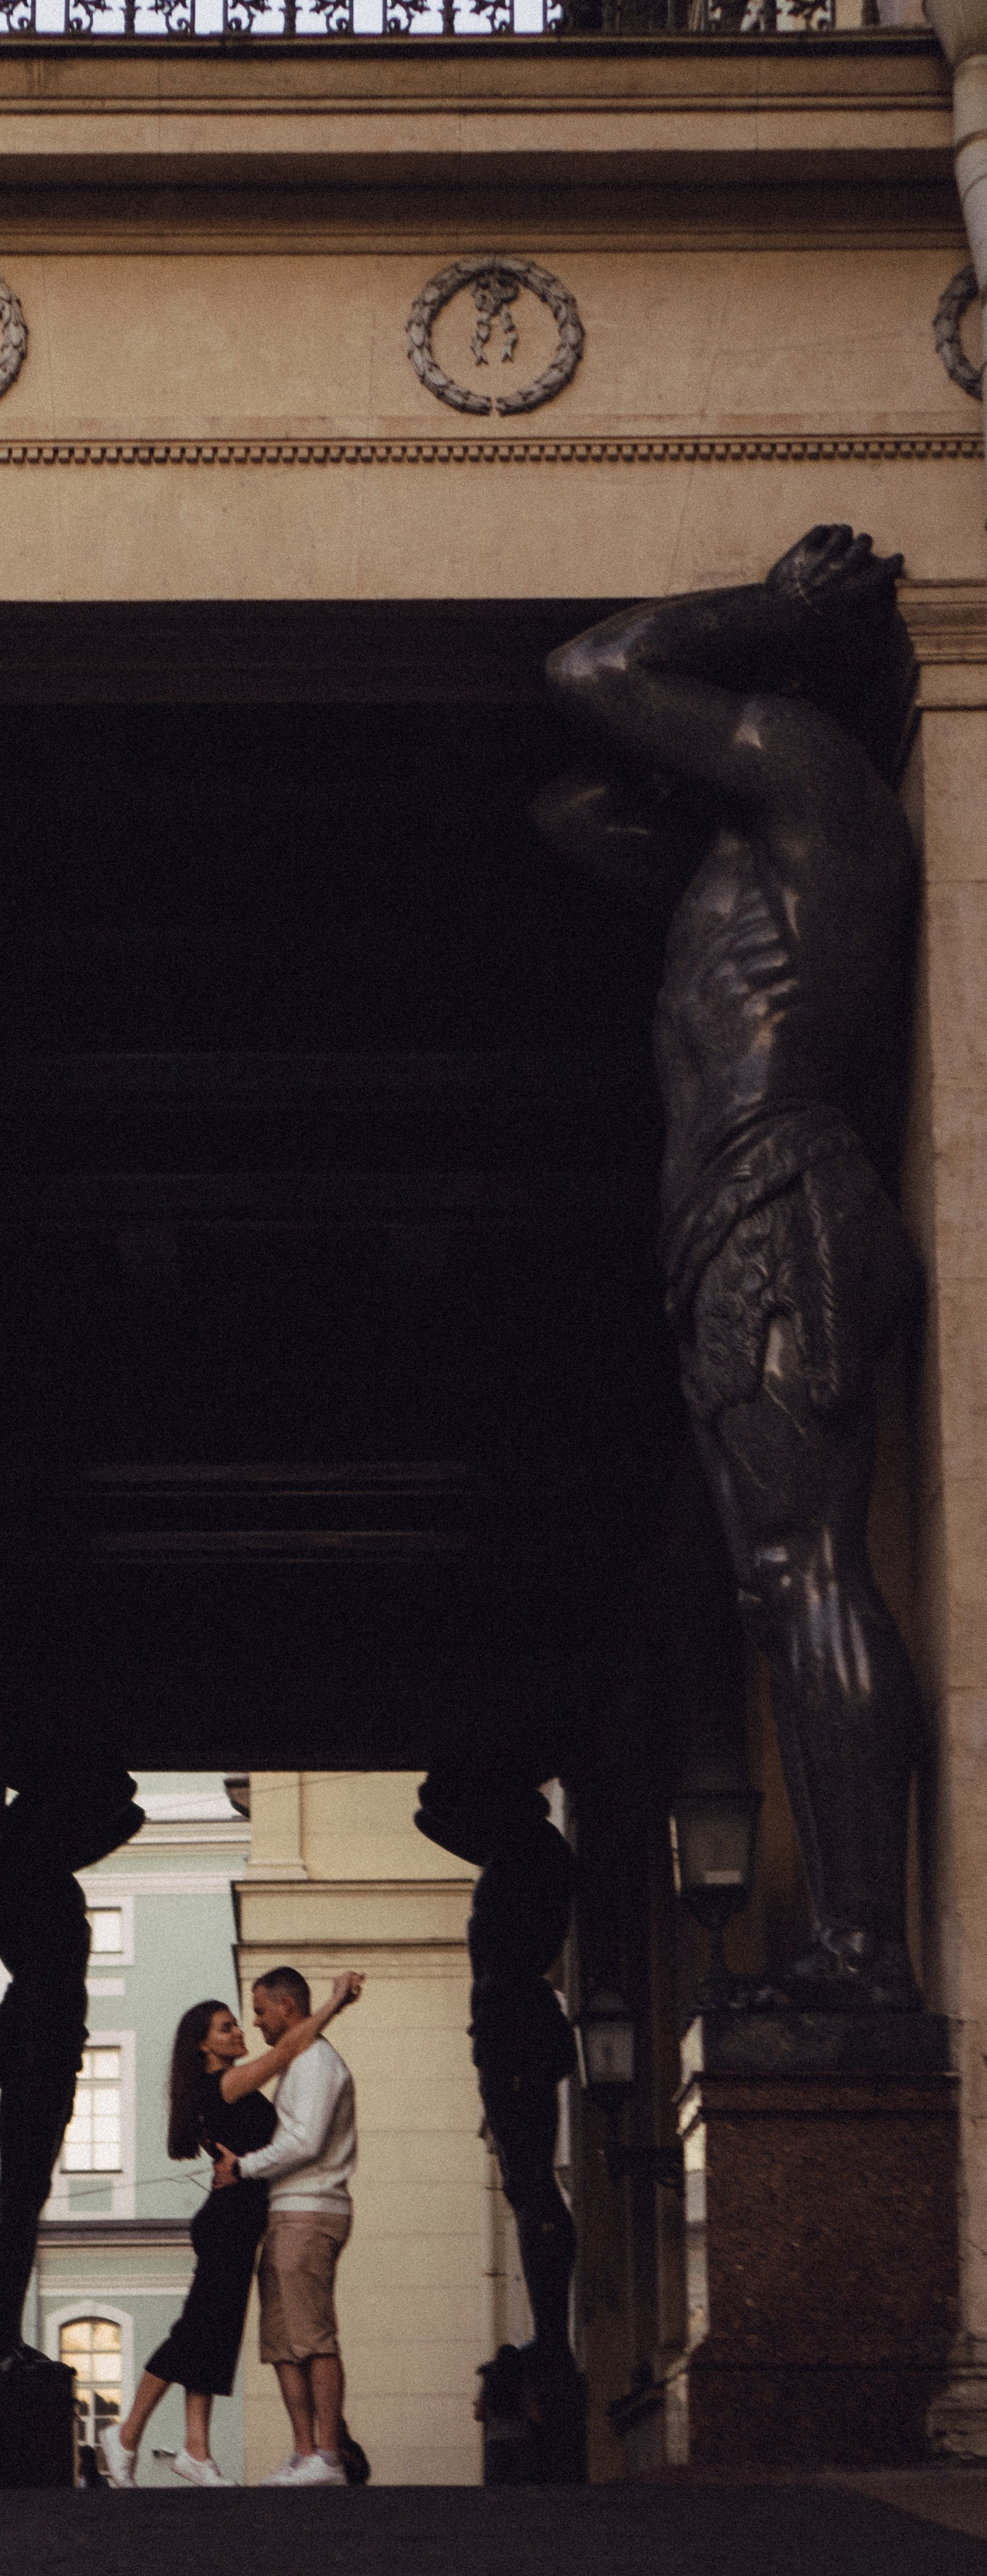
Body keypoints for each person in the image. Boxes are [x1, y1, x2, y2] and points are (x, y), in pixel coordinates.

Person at [536, 526, 922, 2012]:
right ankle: (850, 1939)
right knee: (780, 1586)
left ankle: (865, 1950)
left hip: (780, 1196)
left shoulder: (811, 779)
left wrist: (763, 616)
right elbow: (572, 801)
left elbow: (594, 668)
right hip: (733, 1218)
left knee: (804, 1569)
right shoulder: (738, 849)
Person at [99, 1970, 362, 2491]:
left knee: (214, 2338)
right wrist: (333, 2003)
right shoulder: (223, 2083)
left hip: (243, 2223)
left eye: (244, 2019)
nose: (242, 2030)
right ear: (202, 2045)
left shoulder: (223, 2085)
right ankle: (126, 2435)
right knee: (195, 2333)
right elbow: (285, 2054)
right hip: (228, 2224)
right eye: (226, 2027)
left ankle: (197, 2450)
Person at [210, 1964, 359, 2487]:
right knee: (282, 2341)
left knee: (313, 2335)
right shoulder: (299, 2059)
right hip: (286, 2210)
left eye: (259, 2010)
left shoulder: (318, 2061)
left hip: (313, 2209)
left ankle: (330, 2455)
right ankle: (304, 2452)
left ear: (287, 2008)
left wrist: (243, 2166)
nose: (256, 2024)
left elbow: (306, 2142)